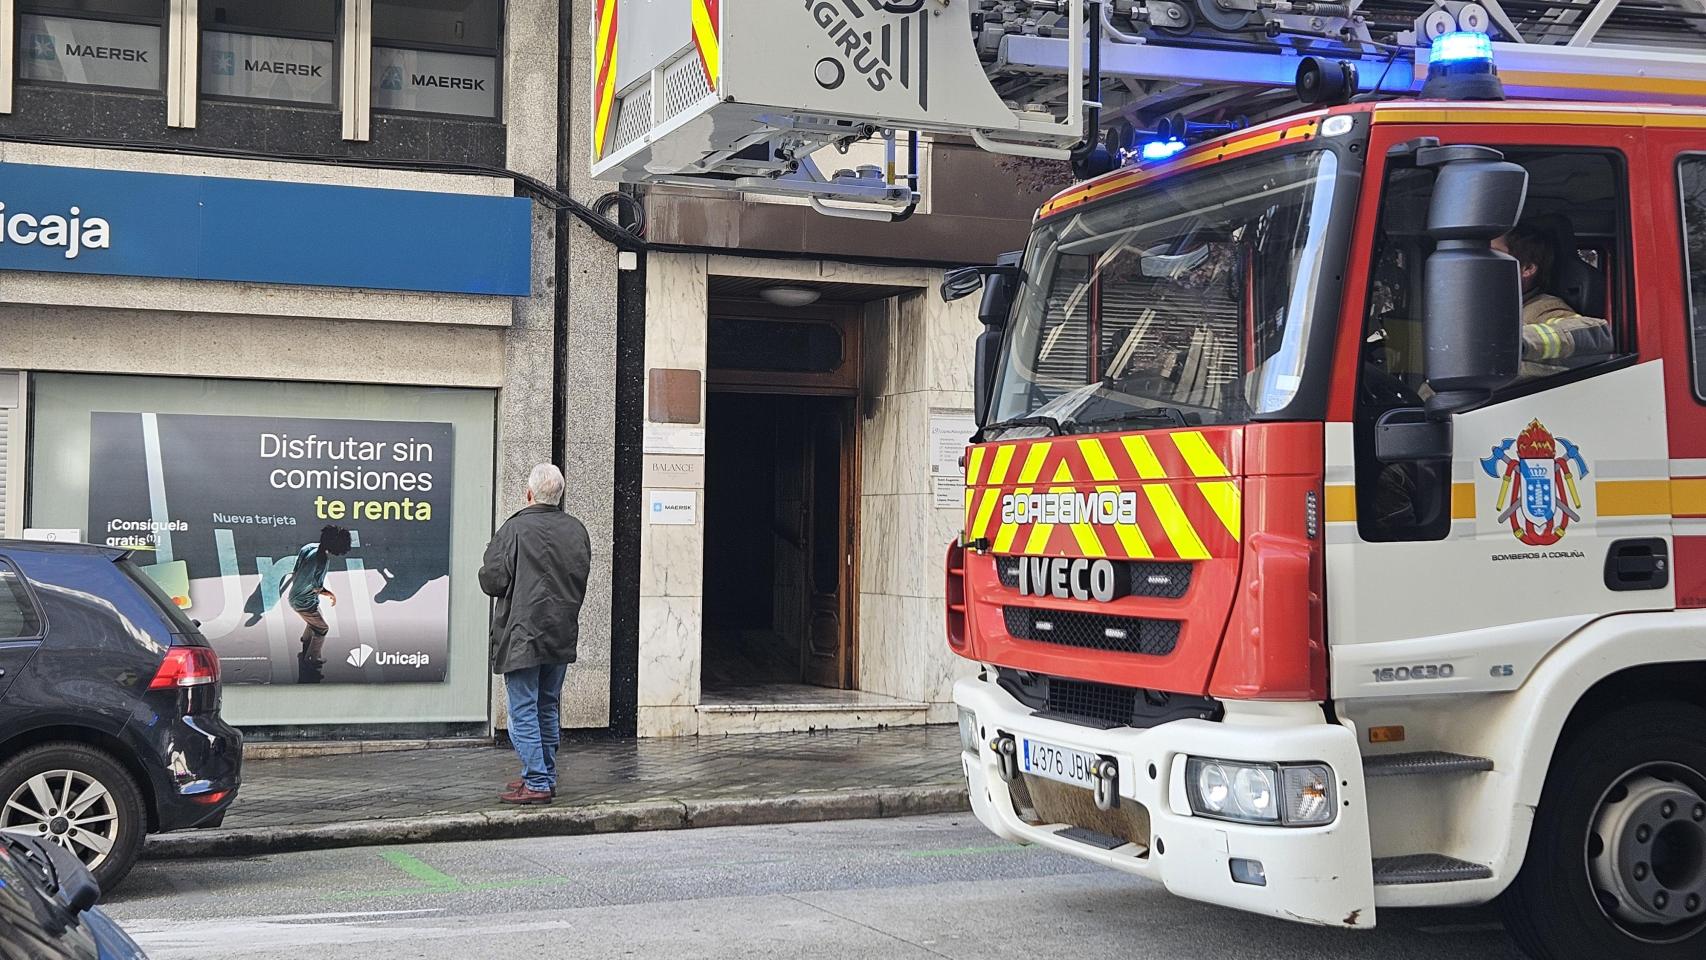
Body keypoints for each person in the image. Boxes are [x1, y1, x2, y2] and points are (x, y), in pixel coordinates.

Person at [479, 463, 591, 805]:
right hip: (560, 631)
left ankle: (538, 781)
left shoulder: (514, 529)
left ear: (529, 494)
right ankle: (543, 774)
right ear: (558, 496)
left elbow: (492, 581)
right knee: (547, 706)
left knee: (523, 708)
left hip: (522, 633)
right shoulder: (577, 530)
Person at [1491, 225, 1613, 380]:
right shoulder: (1481, 308)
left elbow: (1598, 335)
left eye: (1492, 254)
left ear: (1526, 268)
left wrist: (1511, 342)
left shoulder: (1540, 307)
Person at [284, 524, 352, 684]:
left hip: (297, 595)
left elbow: (296, 568)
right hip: (303, 602)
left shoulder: (310, 547)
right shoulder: (321, 560)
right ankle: (311, 660)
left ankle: (306, 641)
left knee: (316, 617)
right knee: (322, 628)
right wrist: (329, 593)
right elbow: (316, 586)